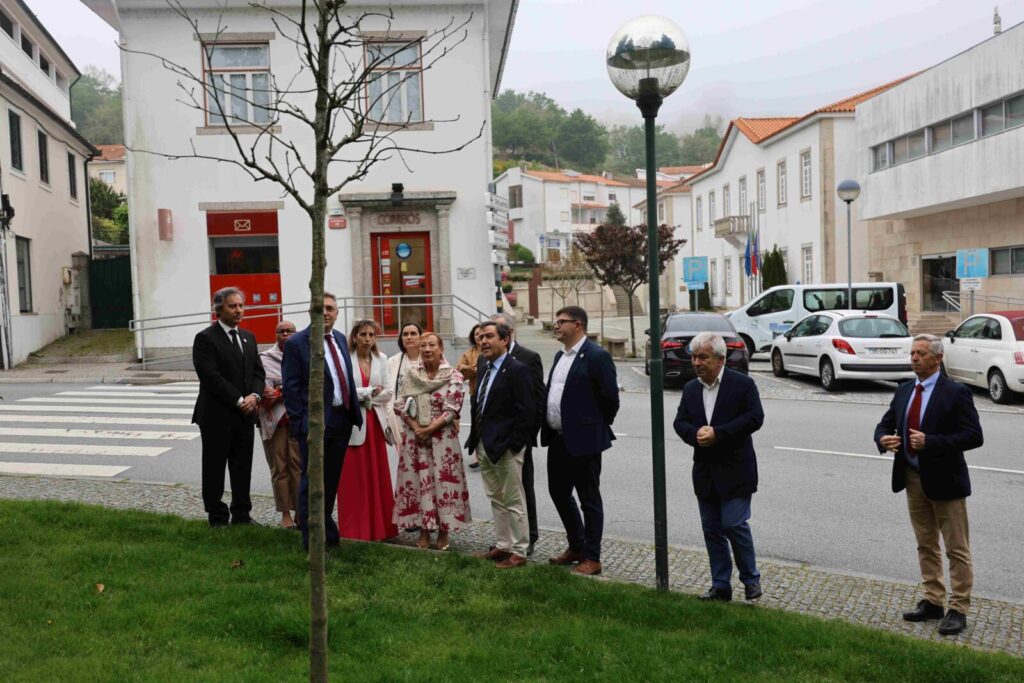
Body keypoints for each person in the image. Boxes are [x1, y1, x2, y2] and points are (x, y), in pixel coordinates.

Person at [874, 334, 983, 636]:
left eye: (921, 353)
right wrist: (883, 439)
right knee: (925, 543)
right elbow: (884, 424)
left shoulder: (956, 392)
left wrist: (931, 442)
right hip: (912, 477)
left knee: (956, 548)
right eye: (912, 353)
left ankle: (958, 608)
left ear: (938, 358)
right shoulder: (904, 390)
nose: (914, 358)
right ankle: (933, 600)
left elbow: (974, 436)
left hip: (946, 481)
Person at [673, 332, 765, 602]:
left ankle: (750, 579)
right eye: (694, 357)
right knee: (712, 530)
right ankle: (720, 585)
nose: (696, 362)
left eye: (703, 357)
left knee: (734, 524)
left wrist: (719, 434)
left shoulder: (742, 385)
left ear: (721, 359)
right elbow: (680, 422)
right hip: (705, 471)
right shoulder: (691, 389)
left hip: (736, 469)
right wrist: (695, 434)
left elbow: (755, 418)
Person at [541, 305, 619, 576]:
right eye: (555, 320)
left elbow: (610, 399)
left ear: (578, 325)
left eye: (561, 321)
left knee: (589, 498)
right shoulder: (560, 356)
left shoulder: (597, 356)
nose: (556, 325)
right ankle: (576, 545)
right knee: (558, 492)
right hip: (558, 438)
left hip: (585, 440)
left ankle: (592, 557)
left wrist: (592, 424)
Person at [282, 292, 362, 551]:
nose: (325, 312)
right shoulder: (297, 343)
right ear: (311, 312)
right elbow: (291, 390)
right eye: (320, 308)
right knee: (311, 484)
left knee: (330, 483)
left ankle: (328, 534)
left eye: (330, 308)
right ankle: (313, 542)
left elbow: (343, 378)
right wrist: (301, 425)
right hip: (314, 426)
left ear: (337, 313)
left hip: (341, 420)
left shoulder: (340, 338)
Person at [191, 287, 266, 527]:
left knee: (242, 467)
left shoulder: (248, 337)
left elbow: (258, 372)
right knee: (214, 467)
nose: (239, 310)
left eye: (241, 305)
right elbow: (210, 376)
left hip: (245, 416)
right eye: (232, 306)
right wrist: (239, 400)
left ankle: (242, 514)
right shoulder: (205, 338)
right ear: (218, 310)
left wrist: (255, 395)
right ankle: (217, 516)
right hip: (217, 415)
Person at [466, 321, 537, 568]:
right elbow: (480, 403)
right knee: (496, 498)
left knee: (514, 499)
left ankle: (519, 551)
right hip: (484, 444)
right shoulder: (483, 364)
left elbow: (527, 412)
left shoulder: (518, 369)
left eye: (489, 336)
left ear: (505, 340)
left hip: (506, 447)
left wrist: (514, 445)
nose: (483, 341)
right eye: (481, 337)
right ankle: (503, 544)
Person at [393, 332, 471, 550]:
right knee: (418, 483)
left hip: (442, 439)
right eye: (424, 345)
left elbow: (452, 409)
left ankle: (444, 531)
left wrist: (428, 430)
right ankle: (424, 530)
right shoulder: (411, 374)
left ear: (441, 348)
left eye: (432, 345)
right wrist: (417, 427)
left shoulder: (454, 376)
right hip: (415, 438)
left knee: (443, 483)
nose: (427, 349)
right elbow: (399, 404)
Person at [339, 320, 398, 541]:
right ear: (354, 337)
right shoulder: (345, 358)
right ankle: (355, 530)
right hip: (353, 424)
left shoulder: (381, 359)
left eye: (371, 335)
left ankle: (382, 528)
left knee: (378, 477)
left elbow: (389, 392)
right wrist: (370, 392)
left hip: (375, 423)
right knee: (354, 480)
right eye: (363, 334)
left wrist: (364, 396)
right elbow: (343, 391)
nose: (367, 339)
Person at [493, 312, 545, 556]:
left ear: (508, 334)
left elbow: (536, 400)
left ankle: (529, 536)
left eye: (493, 333)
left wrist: (524, 437)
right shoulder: (485, 358)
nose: (486, 339)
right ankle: (504, 540)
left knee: (522, 489)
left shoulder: (528, 357)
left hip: (517, 439)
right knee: (499, 492)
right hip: (493, 439)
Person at [258, 320, 302, 529]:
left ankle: (301, 511)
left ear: (296, 333)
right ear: (275, 335)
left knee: (299, 466)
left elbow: (306, 386)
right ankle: (285, 514)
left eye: (289, 331)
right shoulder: (265, 358)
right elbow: (264, 390)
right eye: (281, 331)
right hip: (274, 421)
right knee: (279, 467)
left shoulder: (303, 354)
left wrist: (282, 390)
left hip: (298, 418)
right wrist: (283, 390)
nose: (285, 334)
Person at [385, 322, 423, 462]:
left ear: (421, 337)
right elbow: (388, 392)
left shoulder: (430, 358)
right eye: (405, 334)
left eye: (413, 333)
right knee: (406, 463)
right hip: (400, 420)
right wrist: (389, 417)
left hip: (425, 420)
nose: (409, 337)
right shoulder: (392, 362)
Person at [456, 324, 482, 469]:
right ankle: (477, 455)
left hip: (493, 394)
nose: (480, 336)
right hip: (475, 394)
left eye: (483, 333)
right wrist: (474, 369)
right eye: (477, 334)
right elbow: (460, 374)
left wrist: (469, 368)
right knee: (477, 425)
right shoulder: (468, 354)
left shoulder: (492, 351)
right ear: (473, 336)